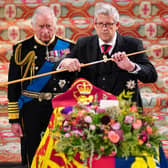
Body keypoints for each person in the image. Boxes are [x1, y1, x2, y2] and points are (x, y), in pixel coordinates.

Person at [8, 6, 75, 167]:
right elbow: (14, 86)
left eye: (49, 26)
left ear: (55, 25)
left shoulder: (69, 48)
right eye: (41, 26)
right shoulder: (21, 49)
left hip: (60, 108)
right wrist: (14, 120)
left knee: (62, 151)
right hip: (32, 107)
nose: (45, 31)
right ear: (33, 26)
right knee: (33, 150)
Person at [59, 2, 158, 108]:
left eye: (109, 24)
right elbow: (61, 71)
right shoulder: (83, 44)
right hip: (90, 109)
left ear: (117, 25)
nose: (104, 28)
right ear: (95, 25)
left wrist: (131, 66)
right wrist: (65, 63)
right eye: (100, 24)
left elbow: (152, 76)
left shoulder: (132, 45)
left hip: (124, 110)